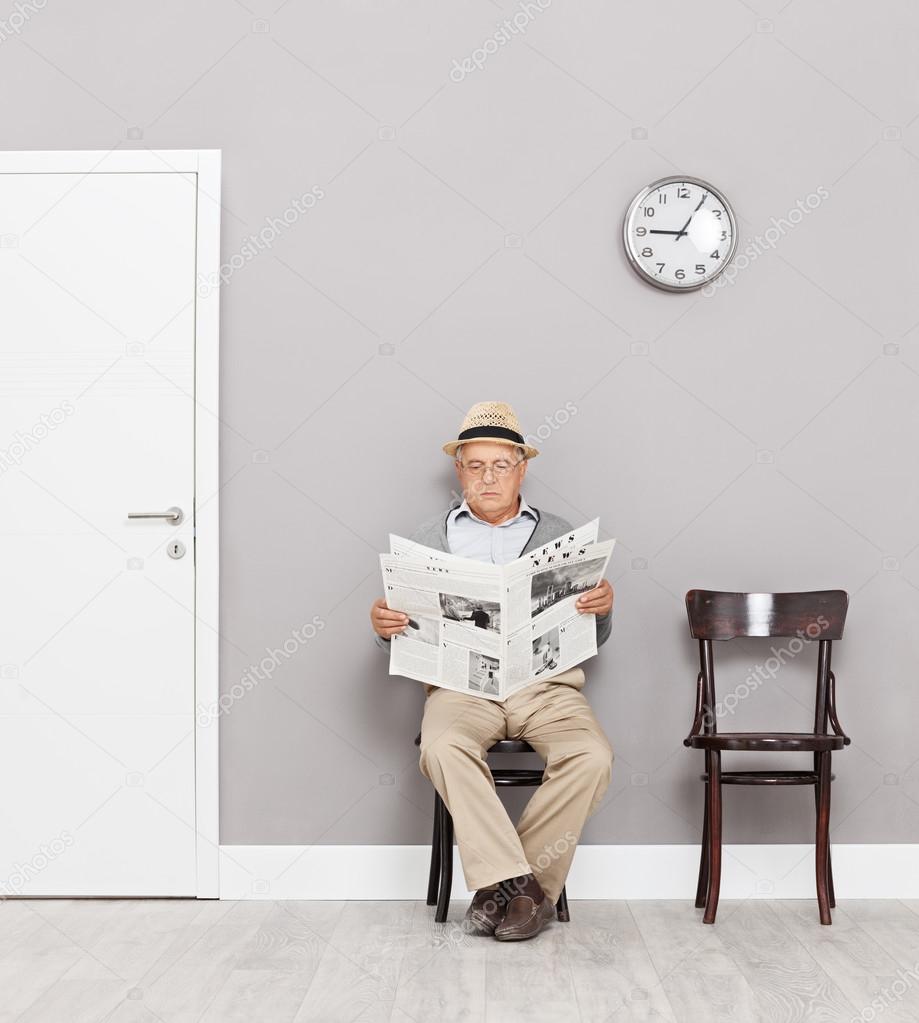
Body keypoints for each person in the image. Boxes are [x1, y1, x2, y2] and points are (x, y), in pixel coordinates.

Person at [370, 401, 614, 941]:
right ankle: (523, 891)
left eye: (500, 465)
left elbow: (592, 637)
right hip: (461, 689)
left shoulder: (561, 532)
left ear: (521, 468)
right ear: (459, 470)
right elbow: (406, 628)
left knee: (592, 755)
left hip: (546, 687)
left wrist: (602, 608)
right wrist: (382, 623)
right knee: (441, 747)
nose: (488, 477)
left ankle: (501, 891)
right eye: (475, 465)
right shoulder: (428, 538)